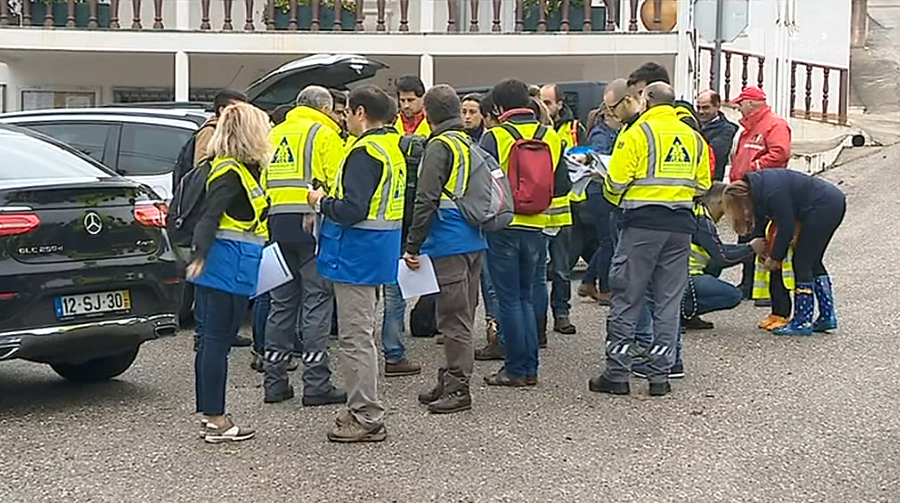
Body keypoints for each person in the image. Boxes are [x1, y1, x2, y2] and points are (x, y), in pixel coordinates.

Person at [589, 82, 711, 397]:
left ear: (648, 100)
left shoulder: (637, 134)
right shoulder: (693, 138)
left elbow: (615, 184)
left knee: (627, 298)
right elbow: (702, 185)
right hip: (680, 228)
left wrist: (616, 192)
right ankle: (660, 377)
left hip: (641, 227)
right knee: (668, 304)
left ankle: (617, 374)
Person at [307, 85, 406, 443]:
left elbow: (353, 210)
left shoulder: (364, 152)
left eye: (346, 111)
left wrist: (320, 201)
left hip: (355, 254)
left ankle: (366, 415)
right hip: (377, 251)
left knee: (355, 338)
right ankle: (361, 408)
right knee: (362, 335)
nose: (344, 118)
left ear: (360, 112)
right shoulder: (390, 147)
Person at [186, 101, 272, 443]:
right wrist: (200, 254)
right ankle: (216, 419)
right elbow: (210, 217)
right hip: (227, 264)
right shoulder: (231, 173)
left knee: (212, 342)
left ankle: (211, 415)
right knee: (217, 343)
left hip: (225, 263)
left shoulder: (231, 168)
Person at [479, 79, 570, 387]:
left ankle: (516, 368)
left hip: (503, 223)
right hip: (538, 224)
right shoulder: (551, 135)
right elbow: (563, 184)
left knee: (508, 299)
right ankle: (530, 366)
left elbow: (480, 183)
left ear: (499, 108)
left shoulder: (495, 137)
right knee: (527, 297)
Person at [404, 84, 488, 414]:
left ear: (428, 114)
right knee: (463, 313)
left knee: (453, 320)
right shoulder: (467, 141)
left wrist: (413, 244)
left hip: (449, 240)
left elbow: (426, 199)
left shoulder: (439, 145)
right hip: (472, 237)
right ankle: (450, 377)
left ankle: (457, 386)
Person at [261, 86, 347, 406]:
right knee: (316, 301)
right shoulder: (324, 135)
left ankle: (274, 381)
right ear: (324, 108)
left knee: (281, 303)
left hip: (275, 224)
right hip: (312, 225)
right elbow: (338, 184)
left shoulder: (274, 133)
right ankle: (316, 383)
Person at [723, 169, 845, 336]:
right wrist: (762, 248)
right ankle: (827, 316)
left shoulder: (772, 192)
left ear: (744, 200)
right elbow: (760, 221)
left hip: (824, 206)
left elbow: (786, 226)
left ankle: (802, 321)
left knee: (801, 262)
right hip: (829, 202)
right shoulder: (758, 190)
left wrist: (775, 257)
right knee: (813, 262)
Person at [191, 89, 253, 349]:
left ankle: (212, 333)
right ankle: (203, 333)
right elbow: (202, 171)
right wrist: (200, 253)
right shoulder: (211, 135)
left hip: (233, 244)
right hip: (218, 238)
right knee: (212, 332)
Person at [600, 78, 655, 363]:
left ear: (628, 100)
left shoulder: (635, 132)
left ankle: (637, 346)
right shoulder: (648, 128)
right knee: (655, 289)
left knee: (630, 285)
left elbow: (618, 181)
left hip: (633, 215)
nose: (610, 115)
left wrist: (606, 182)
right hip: (664, 218)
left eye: (612, 109)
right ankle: (660, 355)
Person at [729, 86, 792, 301]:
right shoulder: (749, 127)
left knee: (759, 236)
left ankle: (762, 288)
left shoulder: (774, 125)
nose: (738, 107)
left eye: (741, 103)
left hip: (762, 192)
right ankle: (747, 283)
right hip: (746, 192)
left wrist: (754, 170)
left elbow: (780, 153)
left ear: (751, 103)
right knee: (745, 235)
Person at [578, 109, 620, 305]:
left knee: (607, 241)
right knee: (608, 243)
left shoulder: (610, 131)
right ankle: (605, 289)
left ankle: (588, 281)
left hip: (604, 191)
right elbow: (599, 158)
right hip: (600, 191)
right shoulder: (601, 134)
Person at [474, 93, 504, 361]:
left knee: (492, 283)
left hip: (496, 218)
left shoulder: (492, 139)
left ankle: (496, 335)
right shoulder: (546, 133)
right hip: (535, 219)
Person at [696, 90, 738, 182]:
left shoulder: (726, 130)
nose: (701, 111)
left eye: (706, 108)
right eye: (698, 107)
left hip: (713, 179)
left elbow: (715, 154)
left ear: (717, 106)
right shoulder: (694, 124)